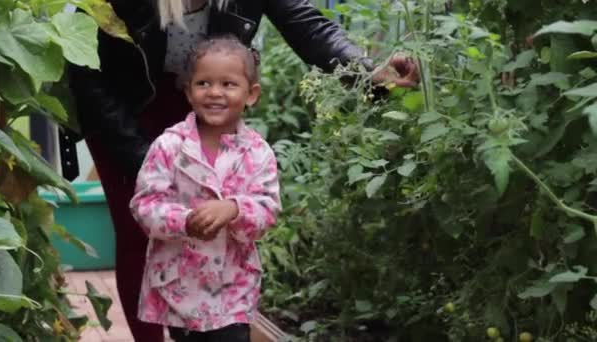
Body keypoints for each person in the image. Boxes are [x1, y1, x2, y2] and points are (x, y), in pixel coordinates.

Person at [68, 1, 418, 340]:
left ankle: (215, 322)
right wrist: (144, 158)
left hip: (203, 103)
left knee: (215, 225)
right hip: (122, 109)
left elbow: (307, 25)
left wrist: (371, 73)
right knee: (140, 235)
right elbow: (86, 76)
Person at [129, 35, 279, 342]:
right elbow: (145, 205)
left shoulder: (257, 152)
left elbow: (268, 208)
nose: (214, 93)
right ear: (188, 92)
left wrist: (234, 208)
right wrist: (184, 220)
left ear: (251, 94)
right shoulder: (169, 146)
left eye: (228, 84)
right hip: (181, 288)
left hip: (234, 288)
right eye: (203, 83)